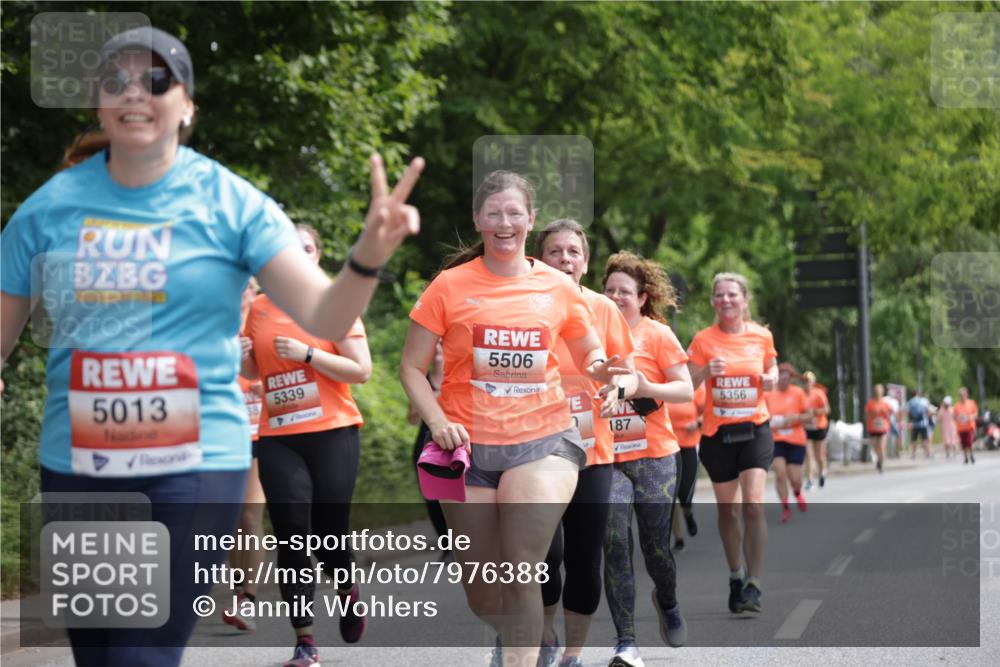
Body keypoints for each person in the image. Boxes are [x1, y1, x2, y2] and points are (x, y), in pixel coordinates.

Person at [0, 26, 423, 667]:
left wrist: (366, 257)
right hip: (80, 465)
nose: (134, 94)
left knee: (141, 655)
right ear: (97, 104)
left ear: (187, 103)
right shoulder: (46, 210)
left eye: (156, 80)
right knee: (100, 655)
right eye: (115, 82)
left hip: (194, 466)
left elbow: (322, 310)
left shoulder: (232, 203)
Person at [399, 171, 627, 667]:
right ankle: (528, 640)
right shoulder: (448, 287)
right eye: (494, 213)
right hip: (467, 449)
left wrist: (604, 373)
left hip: (543, 442)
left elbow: (589, 355)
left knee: (523, 566)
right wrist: (437, 420)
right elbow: (411, 369)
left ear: (531, 220)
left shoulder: (556, 287)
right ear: (479, 220)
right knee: (483, 591)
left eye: (514, 213)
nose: (505, 223)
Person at [242, 223, 373, 666]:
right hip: (279, 437)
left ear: (317, 255)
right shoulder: (258, 307)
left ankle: (346, 587)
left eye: (306, 248)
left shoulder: (335, 305)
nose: (297, 255)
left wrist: (309, 354)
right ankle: (305, 641)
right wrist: (240, 355)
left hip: (333, 432)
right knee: (292, 537)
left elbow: (361, 370)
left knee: (329, 532)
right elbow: (253, 371)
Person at [534, 220, 636, 667]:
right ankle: (542, 632)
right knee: (543, 551)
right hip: (533, 452)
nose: (565, 259)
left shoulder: (604, 309)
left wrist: (617, 390)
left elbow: (627, 371)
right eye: (555, 252)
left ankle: (572, 655)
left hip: (593, 453)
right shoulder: (524, 306)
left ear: (586, 261)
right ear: (539, 259)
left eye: (573, 252)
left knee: (583, 555)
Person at [601, 251, 694, 665]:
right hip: (607, 456)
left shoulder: (657, 335)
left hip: (655, 456)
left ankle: (668, 600)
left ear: (641, 298)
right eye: (610, 290)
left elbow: (684, 390)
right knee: (615, 542)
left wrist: (643, 387)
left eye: (625, 291)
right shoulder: (588, 331)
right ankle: (626, 641)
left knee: (656, 547)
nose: (617, 297)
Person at [686, 272, 777, 615]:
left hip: (754, 429)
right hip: (717, 435)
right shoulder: (703, 340)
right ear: (713, 302)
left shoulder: (761, 336)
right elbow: (687, 384)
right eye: (720, 295)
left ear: (745, 300)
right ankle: (735, 576)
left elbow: (771, 370)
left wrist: (770, 379)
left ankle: (754, 583)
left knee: (753, 504)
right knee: (729, 511)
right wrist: (705, 372)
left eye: (732, 295)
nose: (726, 300)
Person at [222, 279, 267, 633]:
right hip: (220, 437)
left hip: (260, 434)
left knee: (250, 519)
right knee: (228, 522)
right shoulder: (212, 327)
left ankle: (246, 598)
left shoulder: (268, 324)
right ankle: (238, 587)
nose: (242, 292)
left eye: (249, 286)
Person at [408, 340, 450, 544]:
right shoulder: (420, 379)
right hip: (428, 442)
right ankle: (446, 543)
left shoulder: (458, 375)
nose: (439, 349)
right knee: (432, 496)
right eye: (435, 345)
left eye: (443, 344)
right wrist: (426, 402)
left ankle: (463, 540)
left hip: (456, 442)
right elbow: (412, 418)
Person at [764, 363, 811, 523]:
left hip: (796, 440)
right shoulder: (769, 394)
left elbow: (809, 415)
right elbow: (761, 414)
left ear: (791, 379)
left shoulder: (798, 393)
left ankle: (797, 493)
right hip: (776, 440)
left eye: (787, 377)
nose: (784, 380)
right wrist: (769, 421)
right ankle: (785, 507)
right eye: (781, 377)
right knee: (780, 473)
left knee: (795, 478)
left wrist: (795, 418)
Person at [668, 383, 706, 551]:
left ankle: (688, 514)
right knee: (670, 496)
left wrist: (697, 423)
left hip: (689, 445)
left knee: (685, 494)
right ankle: (679, 538)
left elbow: (709, 413)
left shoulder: (695, 388)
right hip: (667, 448)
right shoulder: (659, 387)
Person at [802, 371, 830, 489]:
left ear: (813, 382)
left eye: (808, 381)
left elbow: (827, 409)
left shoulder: (818, 393)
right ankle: (810, 480)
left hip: (819, 426)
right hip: (806, 427)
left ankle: (822, 472)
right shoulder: (800, 394)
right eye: (804, 381)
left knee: (819, 454)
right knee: (808, 454)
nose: (806, 383)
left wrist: (814, 412)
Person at [865, 384, 893, 473]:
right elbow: (866, 415)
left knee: (881, 446)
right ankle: (879, 459)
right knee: (875, 447)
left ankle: (881, 464)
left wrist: (884, 413)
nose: (878, 392)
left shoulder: (885, 403)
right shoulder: (870, 403)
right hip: (873, 428)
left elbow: (891, 413)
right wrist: (874, 414)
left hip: (883, 428)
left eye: (879, 391)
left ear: (882, 392)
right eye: (876, 391)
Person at [954, 387, 979, 464]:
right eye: (961, 395)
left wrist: (971, 417)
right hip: (961, 428)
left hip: (970, 426)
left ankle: (971, 455)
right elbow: (954, 416)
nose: (962, 396)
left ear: (967, 395)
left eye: (963, 394)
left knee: (970, 442)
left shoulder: (971, 403)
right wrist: (959, 418)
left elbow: (976, 413)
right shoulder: (957, 405)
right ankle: (965, 457)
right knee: (964, 443)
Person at [906, 389, 933, 459]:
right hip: (923, 423)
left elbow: (908, 413)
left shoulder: (910, 402)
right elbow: (929, 411)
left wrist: (909, 422)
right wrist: (929, 419)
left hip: (914, 424)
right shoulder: (923, 401)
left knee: (914, 440)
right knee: (925, 439)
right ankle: (927, 453)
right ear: (918, 394)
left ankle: (913, 454)